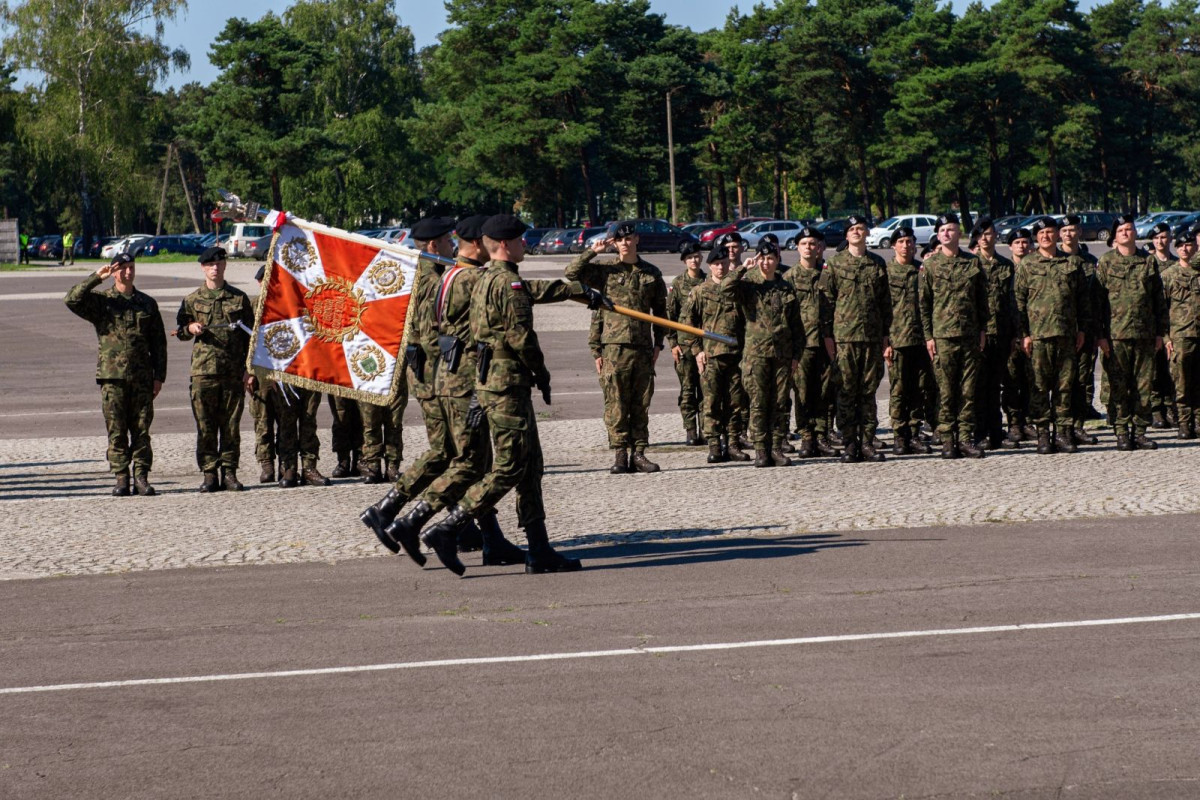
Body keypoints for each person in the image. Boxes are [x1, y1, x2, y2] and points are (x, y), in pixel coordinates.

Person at [417, 214, 604, 576]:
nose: (525, 245)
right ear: (504, 245)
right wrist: (542, 373)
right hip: (505, 384)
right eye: (520, 240)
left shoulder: (486, 279)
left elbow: (528, 296)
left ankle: (539, 549)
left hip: (494, 382)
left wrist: (577, 291)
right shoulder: (507, 284)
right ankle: (447, 528)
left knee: (531, 466)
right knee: (509, 467)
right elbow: (521, 338)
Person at [363, 215, 530, 568]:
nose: (456, 248)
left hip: (436, 379)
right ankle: (398, 514)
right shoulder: (433, 278)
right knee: (462, 458)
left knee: (465, 458)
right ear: (435, 245)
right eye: (449, 241)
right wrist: (457, 380)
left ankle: (475, 534)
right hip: (446, 380)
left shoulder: (432, 273)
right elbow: (432, 336)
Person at [566, 220, 669, 474]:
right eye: (620, 239)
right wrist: (594, 250)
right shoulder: (606, 271)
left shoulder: (651, 273)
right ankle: (620, 454)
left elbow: (660, 311)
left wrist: (659, 344)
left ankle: (640, 453)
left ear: (636, 240)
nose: (625, 243)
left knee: (641, 402)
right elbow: (571, 274)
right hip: (613, 347)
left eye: (629, 238)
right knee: (616, 402)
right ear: (616, 243)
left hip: (643, 347)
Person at [64, 253, 167, 496]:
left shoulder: (147, 303)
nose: (128, 273)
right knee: (117, 429)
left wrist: (158, 377)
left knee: (141, 429)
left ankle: (141, 476)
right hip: (113, 378)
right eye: (122, 269)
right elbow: (72, 300)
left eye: (131, 267)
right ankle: (121, 476)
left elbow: (159, 343)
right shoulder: (103, 302)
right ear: (114, 271)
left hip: (142, 378)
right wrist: (96, 278)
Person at [175, 246, 255, 491]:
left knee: (231, 426)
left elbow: (252, 338)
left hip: (232, 372)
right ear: (203, 267)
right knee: (206, 425)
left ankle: (229, 472)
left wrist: (249, 370)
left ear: (224, 266)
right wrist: (190, 329)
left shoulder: (239, 299)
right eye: (210, 265)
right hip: (204, 372)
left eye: (219, 264)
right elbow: (180, 331)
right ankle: (209, 473)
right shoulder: (192, 299)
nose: (215, 268)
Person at [722, 239, 804, 466]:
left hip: (782, 355)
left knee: (779, 403)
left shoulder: (786, 287)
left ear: (777, 260)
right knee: (758, 404)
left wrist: (796, 355)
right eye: (762, 258)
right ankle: (760, 449)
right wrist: (743, 268)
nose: (766, 263)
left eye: (770, 258)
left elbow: (796, 325)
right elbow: (725, 288)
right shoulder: (749, 285)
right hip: (756, 355)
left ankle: (776, 447)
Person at [1014, 217, 1091, 454]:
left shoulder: (1072, 263)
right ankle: (1043, 434)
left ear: (1057, 235)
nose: (1046, 236)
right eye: (1042, 233)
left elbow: (1083, 302)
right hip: (1038, 337)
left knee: (1065, 387)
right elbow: (1018, 301)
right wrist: (1024, 334)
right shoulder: (1027, 264)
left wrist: (1082, 330)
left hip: (1066, 335)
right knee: (1038, 387)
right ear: (1036, 238)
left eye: (1050, 232)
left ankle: (1063, 432)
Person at [248, 265, 329, 487]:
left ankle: (310, 467)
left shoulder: (309, 302)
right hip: (280, 373)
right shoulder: (258, 306)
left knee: (309, 419)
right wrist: (251, 372)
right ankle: (289, 467)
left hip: (309, 369)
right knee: (286, 421)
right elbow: (250, 342)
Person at [1094, 213, 1167, 451]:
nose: (1126, 232)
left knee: (1143, 386)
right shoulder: (1106, 262)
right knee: (1118, 386)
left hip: (1145, 335)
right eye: (1122, 230)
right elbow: (1098, 303)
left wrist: (1160, 334)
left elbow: (1159, 301)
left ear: (1136, 233)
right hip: (1116, 336)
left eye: (1129, 229)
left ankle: (1140, 431)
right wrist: (1101, 336)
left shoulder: (1148, 261)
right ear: (1115, 236)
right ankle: (1121, 431)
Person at [821, 214, 891, 463]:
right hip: (844, 339)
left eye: (861, 229)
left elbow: (886, 304)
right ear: (846, 234)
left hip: (871, 339)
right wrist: (828, 338)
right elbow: (826, 305)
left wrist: (886, 337)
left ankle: (868, 442)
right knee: (846, 392)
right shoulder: (834, 264)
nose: (857, 233)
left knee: (868, 393)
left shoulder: (877, 264)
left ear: (867, 233)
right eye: (852, 229)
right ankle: (850, 443)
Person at [919, 213, 989, 459]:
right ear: (938, 236)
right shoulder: (930, 266)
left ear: (959, 233)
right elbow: (924, 305)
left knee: (968, 391)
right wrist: (929, 336)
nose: (947, 234)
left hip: (970, 335)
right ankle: (948, 439)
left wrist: (983, 330)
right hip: (943, 337)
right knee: (946, 391)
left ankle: (966, 438)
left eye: (951, 229)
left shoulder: (973, 263)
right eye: (943, 230)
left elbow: (983, 301)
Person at [684, 243, 751, 463]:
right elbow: (688, 323)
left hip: (735, 355)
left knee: (736, 402)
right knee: (711, 403)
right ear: (710, 266)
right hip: (711, 356)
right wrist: (697, 351)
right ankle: (714, 445)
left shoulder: (738, 289)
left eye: (723, 264)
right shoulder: (700, 292)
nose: (720, 268)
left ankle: (732, 443)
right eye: (716, 264)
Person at [786, 226, 838, 458]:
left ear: (819, 247)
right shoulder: (788, 278)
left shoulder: (829, 275)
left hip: (827, 342)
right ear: (798, 247)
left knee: (825, 392)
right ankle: (807, 436)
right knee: (803, 392)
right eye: (804, 244)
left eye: (813, 244)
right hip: (802, 345)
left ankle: (822, 435)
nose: (809, 247)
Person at [970, 217, 1020, 449]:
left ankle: (996, 434)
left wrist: (1014, 334)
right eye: (981, 234)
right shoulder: (970, 264)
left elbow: (1012, 302)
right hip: (979, 334)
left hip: (1001, 332)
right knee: (979, 386)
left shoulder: (1005, 265)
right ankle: (980, 434)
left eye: (989, 233)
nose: (985, 238)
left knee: (997, 384)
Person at [884, 226, 931, 455]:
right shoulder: (886, 273)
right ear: (894, 245)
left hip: (921, 339)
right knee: (899, 389)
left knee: (919, 389)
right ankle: (899, 435)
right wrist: (886, 342)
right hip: (898, 340)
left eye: (909, 241)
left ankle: (914, 432)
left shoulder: (922, 271)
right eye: (901, 241)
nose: (906, 245)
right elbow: (880, 309)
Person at [1059, 215, 1102, 444]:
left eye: (1072, 229)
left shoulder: (1091, 261)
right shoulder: (1053, 260)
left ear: (1079, 232)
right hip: (1060, 330)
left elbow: (1097, 298)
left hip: (1086, 329)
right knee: (1061, 381)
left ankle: (1077, 426)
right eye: (1064, 230)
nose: (1068, 233)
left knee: (1082, 379)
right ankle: (1062, 427)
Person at [666, 241, 707, 445]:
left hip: (705, 345)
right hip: (684, 345)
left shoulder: (708, 281)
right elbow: (670, 316)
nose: (694, 260)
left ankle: (707, 430)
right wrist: (673, 343)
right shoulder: (678, 283)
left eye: (697, 256)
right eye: (690, 258)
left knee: (706, 389)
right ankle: (691, 429)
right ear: (684, 261)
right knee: (688, 389)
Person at [1163, 228, 1198, 439]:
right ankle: (1184, 423)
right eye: (1181, 246)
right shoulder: (1168, 275)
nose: (1185, 249)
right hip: (1180, 336)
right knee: (1182, 383)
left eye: (1189, 245)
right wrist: (1166, 338)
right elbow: (1161, 310)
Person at [1005, 228, 1036, 441]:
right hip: (1009, 334)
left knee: (1031, 380)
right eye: (1017, 243)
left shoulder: (1036, 267)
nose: (1021, 246)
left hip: (1033, 333)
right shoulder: (1006, 269)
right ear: (1010, 247)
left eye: (1025, 242)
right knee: (1011, 381)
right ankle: (1014, 423)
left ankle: (1028, 420)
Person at [1147, 221, 1178, 428]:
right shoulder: (1147, 263)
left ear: (1170, 239)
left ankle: (1170, 408)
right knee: (1154, 369)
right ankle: (1156, 409)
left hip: (1175, 323)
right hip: (1152, 322)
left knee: (1170, 369)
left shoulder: (1178, 263)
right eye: (1157, 238)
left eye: (1164, 237)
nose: (1160, 241)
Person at [327, 395, 363, 478]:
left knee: (362, 415)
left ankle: (359, 460)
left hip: (361, 383)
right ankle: (343, 461)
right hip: (339, 383)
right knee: (340, 416)